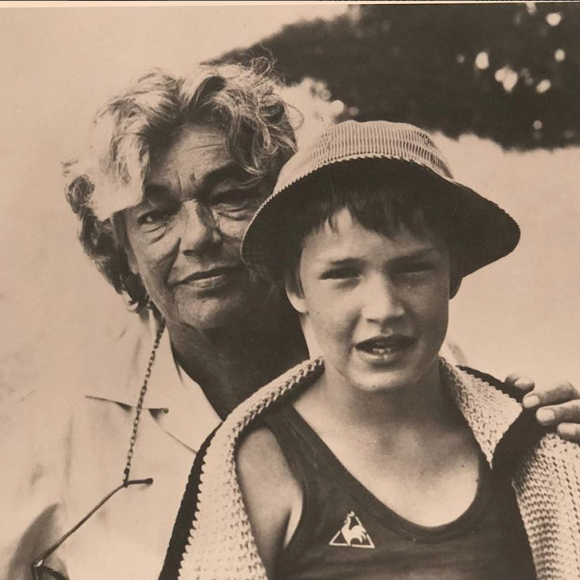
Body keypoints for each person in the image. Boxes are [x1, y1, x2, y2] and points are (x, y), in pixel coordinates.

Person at [0, 62, 578, 580]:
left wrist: (554, 446)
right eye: (154, 215)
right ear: (120, 246)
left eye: (229, 196)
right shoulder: (52, 432)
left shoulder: (420, 369)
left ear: (289, 217)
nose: (197, 237)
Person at [173, 121, 580, 580]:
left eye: (412, 269)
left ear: (453, 276)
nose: (384, 309)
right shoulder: (261, 466)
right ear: (296, 287)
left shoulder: (526, 448)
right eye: (344, 274)